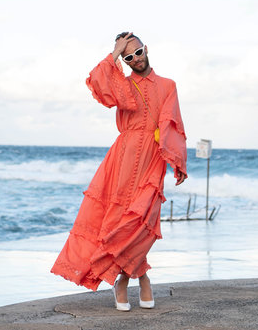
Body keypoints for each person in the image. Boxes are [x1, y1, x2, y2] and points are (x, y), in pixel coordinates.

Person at [50, 31, 188, 311]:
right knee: (119, 221)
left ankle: (128, 279)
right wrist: (115, 52)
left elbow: (171, 121)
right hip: (122, 159)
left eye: (137, 52)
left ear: (146, 49)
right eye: (128, 57)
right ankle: (137, 280)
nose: (135, 58)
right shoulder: (122, 85)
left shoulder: (168, 85)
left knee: (143, 223)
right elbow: (97, 81)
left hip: (151, 157)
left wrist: (177, 160)